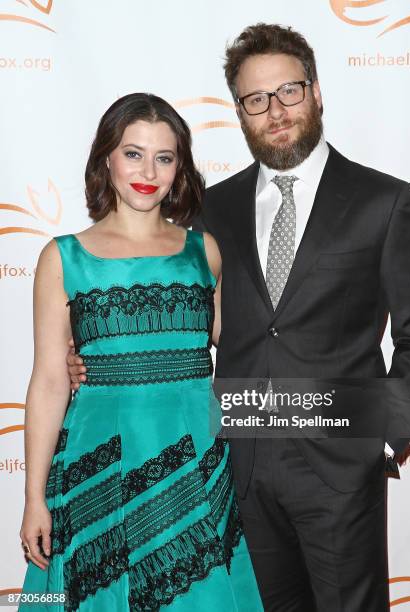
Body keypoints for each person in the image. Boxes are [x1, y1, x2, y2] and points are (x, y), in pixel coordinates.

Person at [68, 24, 410, 612]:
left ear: (316, 92)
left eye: (289, 91)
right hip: (236, 464)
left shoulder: (383, 200)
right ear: (240, 112)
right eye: (255, 99)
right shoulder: (211, 208)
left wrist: (384, 438)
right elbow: (192, 323)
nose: (275, 111)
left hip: (341, 461)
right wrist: (97, 357)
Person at [19, 92, 262, 611]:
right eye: (133, 153)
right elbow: (47, 382)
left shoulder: (205, 251)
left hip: (195, 458)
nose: (148, 170)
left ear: (180, 168)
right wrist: (33, 497)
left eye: (164, 157)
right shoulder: (62, 257)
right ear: (106, 158)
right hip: (97, 457)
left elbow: (245, 346)